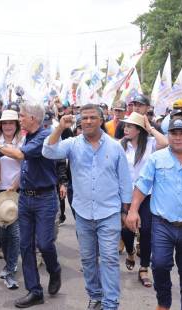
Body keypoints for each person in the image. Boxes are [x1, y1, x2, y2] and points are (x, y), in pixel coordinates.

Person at [44, 104, 133, 310]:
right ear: (79, 121)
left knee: (110, 259)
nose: (88, 121)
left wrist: (126, 211)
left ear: (101, 120)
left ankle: (111, 304)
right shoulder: (72, 144)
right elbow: (48, 151)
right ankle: (95, 295)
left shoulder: (114, 146)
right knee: (88, 259)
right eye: (84, 118)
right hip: (83, 213)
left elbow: (125, 182)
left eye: (93, 117)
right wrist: (59, 128)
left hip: (109, 211)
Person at [125, 118, 182, 310]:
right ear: (168, 135)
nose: (178, 138)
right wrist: (133, 211)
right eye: (174, 133)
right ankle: (163, 303)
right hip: (162, 224)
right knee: (160, 265)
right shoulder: (157, 158)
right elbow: (142, 185)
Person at [0, 101, 59, 308]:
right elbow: (26, 167)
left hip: (45, 198)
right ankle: (34, 291)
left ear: (32, 118)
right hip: (26, 197)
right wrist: (14, 186)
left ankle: (55, 270)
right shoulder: (29, 135)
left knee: (44, 243)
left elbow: (20, 155)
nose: (19, 120)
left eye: (21, 116)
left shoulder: (44, 136)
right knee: (26, 246)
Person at [117, 112, 166, 289]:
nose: (126, 128)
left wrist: (150, 126)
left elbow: (165, 143)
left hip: (147, 194)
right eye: (126, 125)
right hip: (124, 195)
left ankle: (144, 268)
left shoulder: (151, 144)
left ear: (139, 130)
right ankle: (130, 252)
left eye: (130, 126)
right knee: (126, 230)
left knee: (146, 230)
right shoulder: (120, 145)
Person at [0, 109, 23, 290]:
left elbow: (24, 163)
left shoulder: (23, 142)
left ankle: (11, 268)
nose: (8, 126)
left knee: (15, 233)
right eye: (5, 123)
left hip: (16, 193)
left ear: (17, 125)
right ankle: (9, 263)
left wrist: (16, 185)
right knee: (2, 233)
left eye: (11, 122)